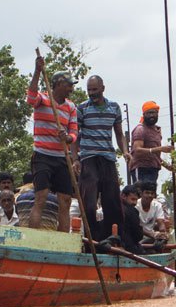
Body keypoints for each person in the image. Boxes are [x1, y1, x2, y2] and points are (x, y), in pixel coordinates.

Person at [26, 49, 79, 232]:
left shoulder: (71, 107)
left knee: (64, 200)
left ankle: (62, 239)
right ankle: (33, 237)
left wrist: (68, 138)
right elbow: (30, 97)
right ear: (58, 85)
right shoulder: (43, 99)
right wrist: (38, 71)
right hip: (43, 155)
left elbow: (74, 133)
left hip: (61, 157)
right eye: (68, 85)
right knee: (41, 196)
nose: (71, 89)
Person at [76, 74, 129, 241]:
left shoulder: (114, 108)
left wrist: (125, 151)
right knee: (89, 203)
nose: (92, 93)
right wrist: (74, 158)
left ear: (102, 88)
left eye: (94, 89)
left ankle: (114, 236)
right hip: (89, 158)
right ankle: (92, 239)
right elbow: (75, 135)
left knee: (112, 201)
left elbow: (119, 134)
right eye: (89, 90)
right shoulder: (82, 108)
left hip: (107, 157)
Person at [130, 100, 173, 186]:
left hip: (153, 169)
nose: (152, 115)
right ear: (144, 115)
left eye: (154, 113)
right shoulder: (140, 129)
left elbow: (154, 155)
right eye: (149, 113)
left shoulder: (156, 131)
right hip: (141, 168)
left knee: (150, 196)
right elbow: (137, 150)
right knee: (141, 194)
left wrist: (167, 166)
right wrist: (160, 149)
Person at [137, 180, 170, 249]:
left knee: (166, 239)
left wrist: (162, 234)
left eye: (152, 193)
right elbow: (136, 227)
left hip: (151, 238)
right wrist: (153, 234)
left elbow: (161, 223)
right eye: (147, 193)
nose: (150, 195)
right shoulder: (135, 205)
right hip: (137, 237)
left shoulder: (157, 205)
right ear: (141, 193)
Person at [118, 184, 147, 255]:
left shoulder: (112, 208)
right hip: (128, 249)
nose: (135, 203)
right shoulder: (132, 211)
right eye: (132, 199)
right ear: (123, 196)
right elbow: (138, 235)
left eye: (136, 200)